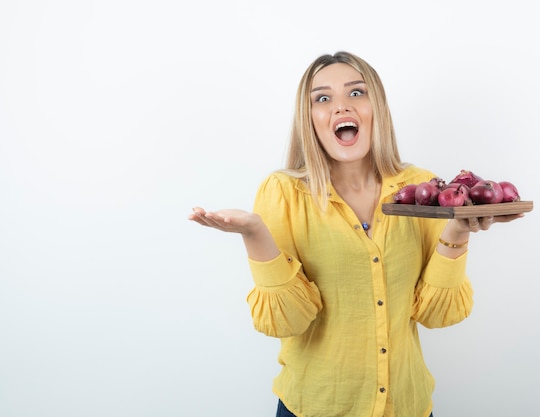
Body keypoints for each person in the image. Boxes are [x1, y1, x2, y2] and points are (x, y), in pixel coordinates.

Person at [189, 51, 522, 417]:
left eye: (356, 93)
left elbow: (437, 314)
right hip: (315, 407)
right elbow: (286, 321)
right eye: (323, 98)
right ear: (309, 119)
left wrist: (458, 230)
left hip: (407, 407)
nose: (340, 107)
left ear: (376, 107)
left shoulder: (419, 189)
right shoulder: (282, 193)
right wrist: (254, 234)